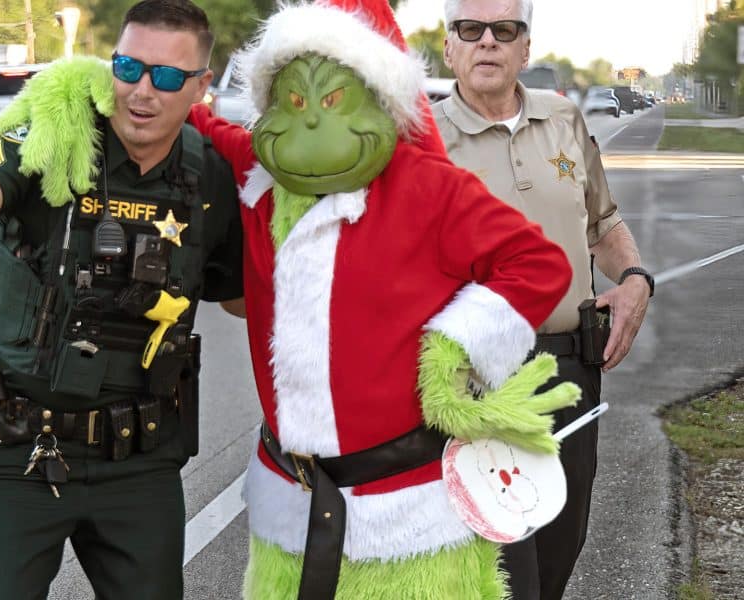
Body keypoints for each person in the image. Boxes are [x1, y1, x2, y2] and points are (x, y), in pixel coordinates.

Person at [182, 0, 581, 597]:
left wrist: (454, 347)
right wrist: (98, 87)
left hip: (405, 514)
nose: (309, 126)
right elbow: (194, 119)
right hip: (289, 505)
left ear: (379, 100)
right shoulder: (261, 173)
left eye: (333, 101)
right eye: (294, 102)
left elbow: (539, 263)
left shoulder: (425, 184)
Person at [0, 1, 243, 598]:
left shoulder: (210, 178)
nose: (142, 91)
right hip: (19, 448)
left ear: (200, 87)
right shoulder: (61, 132)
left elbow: (243, 299)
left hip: (139, 461)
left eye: (167, 77)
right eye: (128, 68)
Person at [433, 1, 654, 598]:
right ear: (449, 46)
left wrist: (635, 279)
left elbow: (603, 223)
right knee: (506, 574)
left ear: (524, 48)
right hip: (478, 383)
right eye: (470, 29)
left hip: (572, 369)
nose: (487, 41)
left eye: (504, 29)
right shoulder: (423, 141)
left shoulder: (563, 119)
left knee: (559, 549)